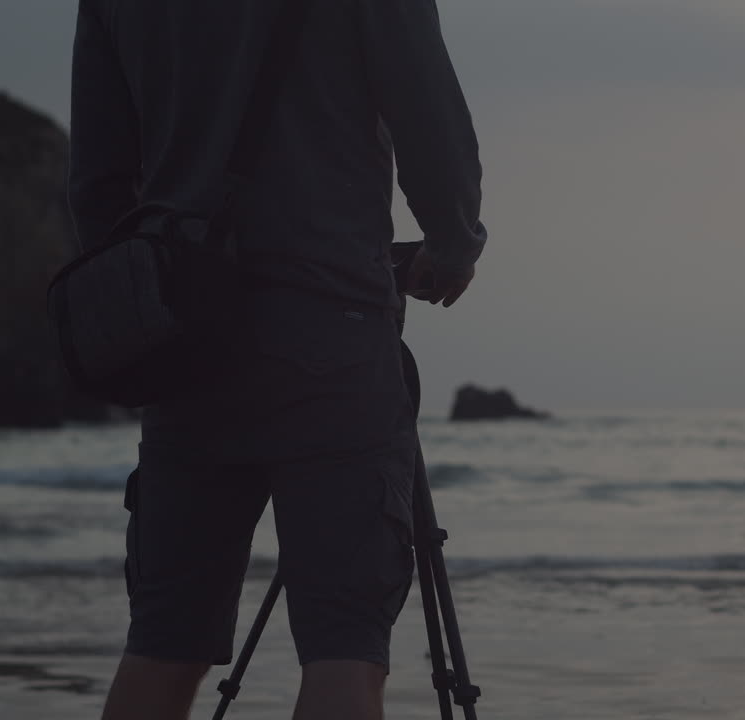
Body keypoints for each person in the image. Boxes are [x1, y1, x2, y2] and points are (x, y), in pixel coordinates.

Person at [67, 0, 487, 718]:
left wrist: (152, 300)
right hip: (330, 320)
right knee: (343, 646)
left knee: (164, 642)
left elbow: (99, 180)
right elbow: (423, 103)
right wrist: (452, 241)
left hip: (182, 336)